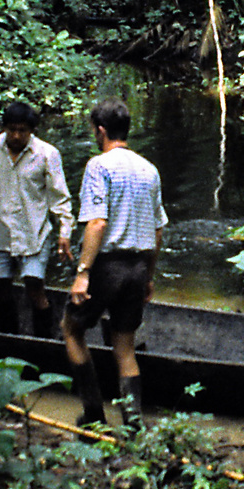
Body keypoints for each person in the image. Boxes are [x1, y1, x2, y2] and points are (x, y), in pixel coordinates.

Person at [63, 97, 167, 429]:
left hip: (109, 266)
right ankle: (134, 426)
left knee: (71, 328)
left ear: (101, 130)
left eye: (95, 130)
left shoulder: (99, 166)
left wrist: (83, 273)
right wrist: (149, 275)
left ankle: (93, 414)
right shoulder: (149, 169)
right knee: (125, 346)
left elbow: (97, 223)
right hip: (138, 266)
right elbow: (158, 228)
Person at [0, 102, 74, 338]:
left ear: (31, 130)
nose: (15, 135)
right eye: (11, 129)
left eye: (22, 130)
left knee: (35, 289)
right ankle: (7, 341)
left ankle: (44, 340)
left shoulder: (47, 154)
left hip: (35, 234)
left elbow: (60, 198)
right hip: (1, 233)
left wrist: (65, 233)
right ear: (4, 127)